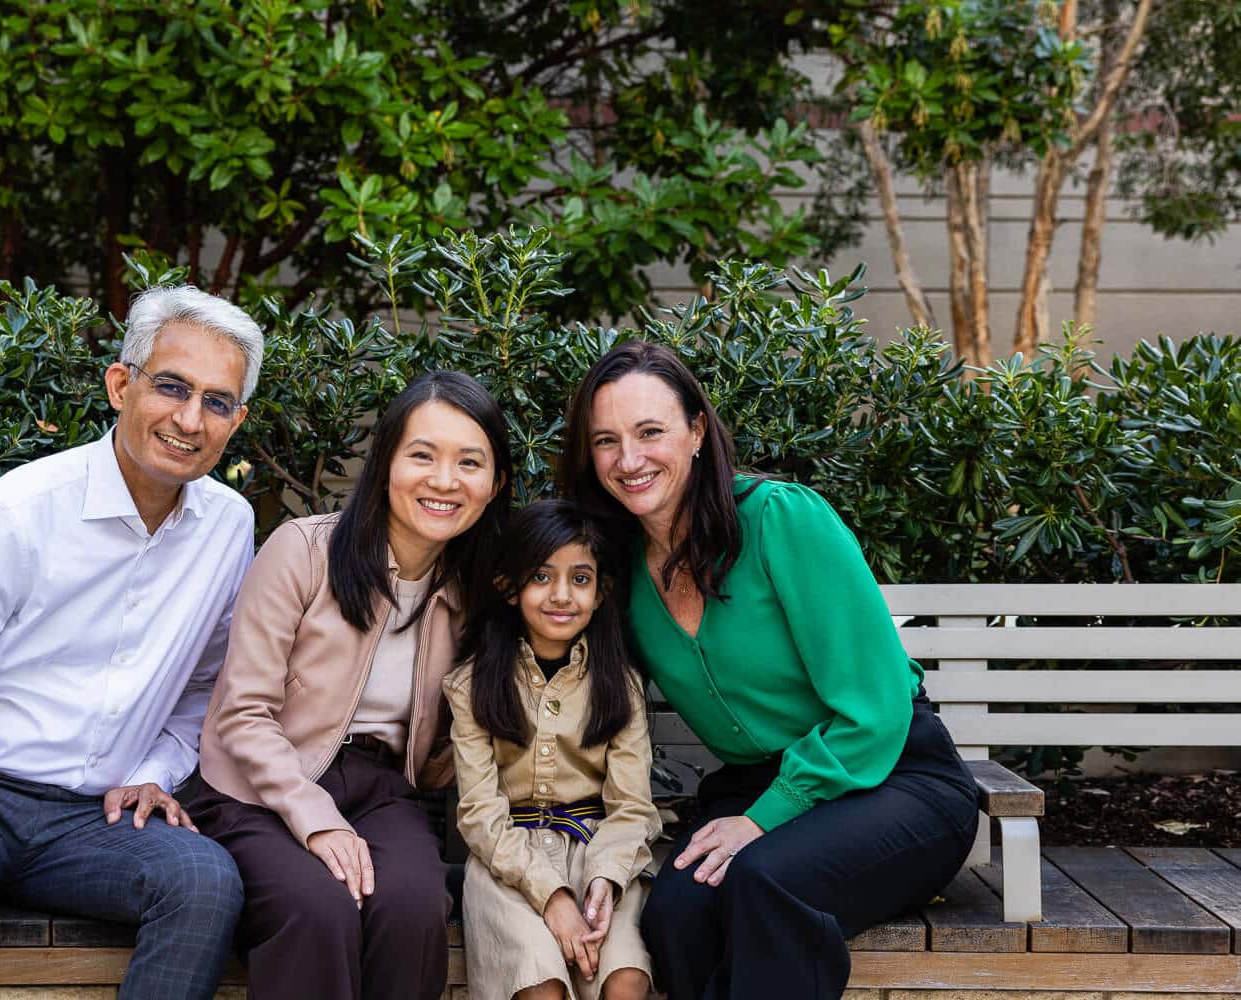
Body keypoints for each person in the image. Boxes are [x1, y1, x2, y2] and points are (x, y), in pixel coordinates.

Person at [0, 285, 264, 999]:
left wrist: (157, 771)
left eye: (216, 401)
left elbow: (207, 685)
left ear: (237, 420)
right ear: (121, 385)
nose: (189, 418)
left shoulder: (229, 527)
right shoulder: (20, 511)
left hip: (94, 817)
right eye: (171, 386)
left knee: (205, 880)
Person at [558, 340, 979, 1000]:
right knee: (676, 914)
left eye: (650, 432)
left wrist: (761, 820)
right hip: (757, 786)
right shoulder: (619, 566)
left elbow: (877, 710)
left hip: (897, 778)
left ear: (697, 431)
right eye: (606, 441)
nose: (629, 460)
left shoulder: (780, 519)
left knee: (765, 881)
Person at [188, 370, 513, 1000]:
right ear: (386, 462)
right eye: (422, 455)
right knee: (318, 906)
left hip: (382, 790)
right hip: (255, 788)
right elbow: (243, 712)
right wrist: (316, 819)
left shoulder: (475, 592)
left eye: (470, 463)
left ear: (495, 483)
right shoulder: (304, 551)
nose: (445, 480)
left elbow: (457, 741)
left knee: (414, 907)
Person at [444, 499, 660, 1000]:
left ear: (601, 593)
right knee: (541, 986)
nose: (562, 595)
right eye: (541, 577)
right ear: (508, 587)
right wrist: (551, 895)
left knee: (624, 979)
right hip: (507, 863)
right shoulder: (472, 685)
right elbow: (479, 813)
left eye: (580, 579)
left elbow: (632, 807)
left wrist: (606, 879)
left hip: (599, 852)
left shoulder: (619, 684)